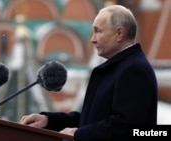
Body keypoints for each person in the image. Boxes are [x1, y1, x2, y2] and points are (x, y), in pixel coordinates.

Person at [19, 4, 158, 141]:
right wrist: (49, 120)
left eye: (98, 31)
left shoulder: (134, 70)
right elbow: (91, 120)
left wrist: (79, 134)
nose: (93, 39)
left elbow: (126, 128)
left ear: (119, 33)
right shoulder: (119, 67)